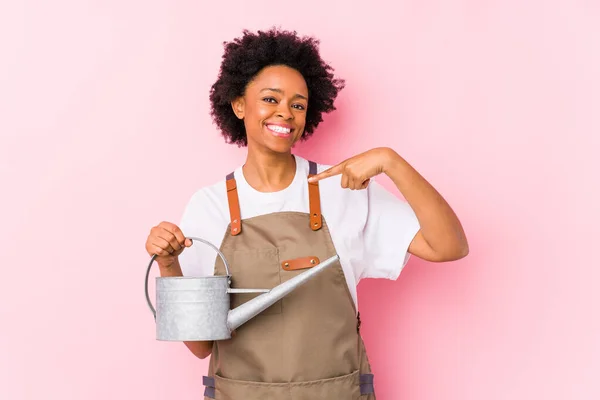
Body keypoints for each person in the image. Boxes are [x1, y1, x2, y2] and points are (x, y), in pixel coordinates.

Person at [144, 27, 469, 399]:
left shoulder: (344, 189)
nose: (286, 112)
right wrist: (169, 264)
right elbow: (201, 346)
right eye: (270, 98)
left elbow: (450, 246)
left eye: (298, 104)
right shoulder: (210, 205)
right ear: (238, 105)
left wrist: (390, 162)